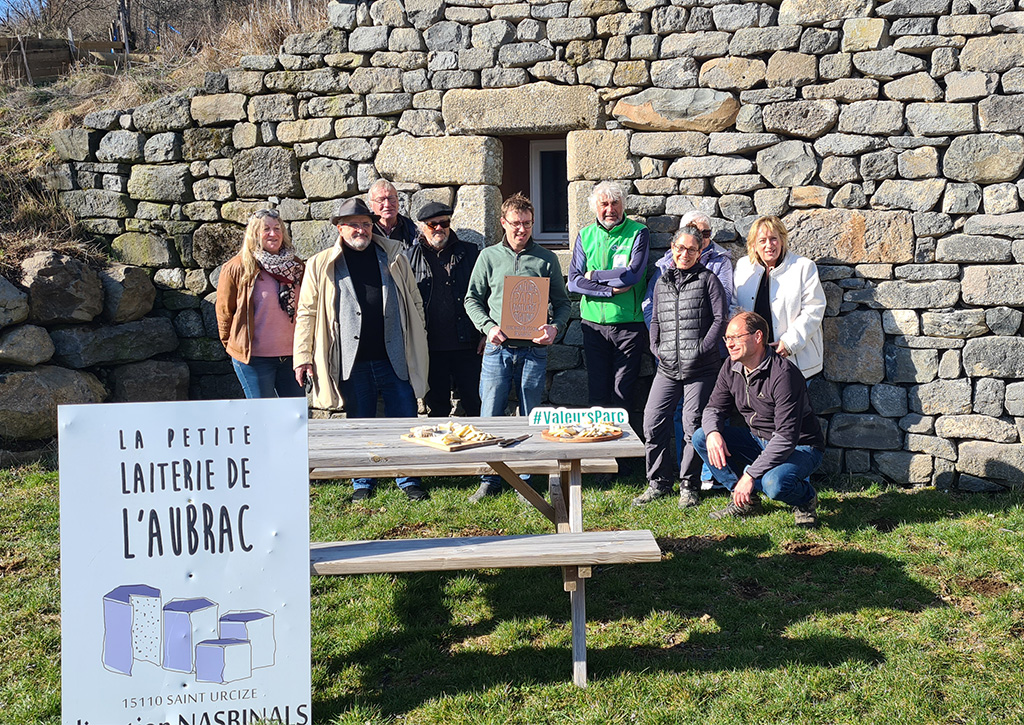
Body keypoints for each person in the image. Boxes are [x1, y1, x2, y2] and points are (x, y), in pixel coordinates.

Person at [293, 198, 430, 502]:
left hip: (393, 355)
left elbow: (414, 298)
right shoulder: (321, 264)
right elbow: (307, 313)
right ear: (340, 228)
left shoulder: (394, 256)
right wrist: (303, 356)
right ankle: (362, 481)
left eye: (366, 224)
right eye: (353, 224)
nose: (361, 230)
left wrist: (418, 329)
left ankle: (408, 478)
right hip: (350, 360)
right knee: (359, 421)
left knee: (405, 418)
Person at [464, 192, 571, 502]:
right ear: (503, 223)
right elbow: (472, 299)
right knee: (490, 416)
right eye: (515, 224)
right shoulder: (488, 257)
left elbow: (562, 304)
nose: (521, 229)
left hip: (533, 352)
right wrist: (488, 327)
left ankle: (524, 480)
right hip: (498, 350)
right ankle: (489, 479)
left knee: (530, 416)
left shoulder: (546, 259)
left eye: (527, 224)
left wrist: (555, 327)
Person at [692, 311, 824, 526]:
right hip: (758, 440)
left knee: (775, 484)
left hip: (801, 446)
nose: (729, 344)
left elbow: (786, 438)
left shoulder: (784, 375)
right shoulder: (730, 366)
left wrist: (750, 475)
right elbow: (713, 407)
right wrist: (713, 432)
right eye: (727, 339)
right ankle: (746, 501)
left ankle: (806, 499)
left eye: (736, 338)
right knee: (701, 437)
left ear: (758, 336)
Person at [634, 226, 727, 508]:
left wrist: (700, 350)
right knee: (653, 421)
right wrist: (655, 347)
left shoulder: (709, 280)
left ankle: (689, 485)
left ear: (699, 252)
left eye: (691, 249)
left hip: (700, 369)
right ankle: (658, 482)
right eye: (680, 248)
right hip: (667, 367)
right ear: (672, 248)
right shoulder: (662, 282)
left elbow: (720, 320)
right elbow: (656, 320)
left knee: (692, 426)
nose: (684, 253)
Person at [567, 181, 649, 413]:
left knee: (623, 394)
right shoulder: (585, 235)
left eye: (615, 203)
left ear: (623, 205)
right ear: (595, 207)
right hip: (593, 324)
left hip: (628, 326)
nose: (610, 209)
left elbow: (631, 276)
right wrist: (608, 290)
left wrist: (592, 275)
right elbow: (573, 281)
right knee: (598, 394)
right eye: (604, 204)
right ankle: (599, 445)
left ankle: (624, 448)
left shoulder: (638, 232)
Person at [216, 208, 306, 399]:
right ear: (254, 234)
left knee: (294, 419)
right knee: (263, 418)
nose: (273, 234)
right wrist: (235, 346)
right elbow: (225, 311)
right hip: (255, 360)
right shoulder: (237, 268)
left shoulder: (297, 267)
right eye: (266, 229)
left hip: (293, 358)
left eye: (277, 228)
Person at [404, 201, 483, 417]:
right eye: (432, 225)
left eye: (444, 223)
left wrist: (485, 333)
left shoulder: (471, 253)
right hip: (430, 347)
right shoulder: (409, 258)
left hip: (467, 343)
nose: (439, 228)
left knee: (475, 403)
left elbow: (486, 295)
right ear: (423, 227)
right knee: (436, 407)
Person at [733, 215, 825, 379]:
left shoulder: (803, 267)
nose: (769, 245)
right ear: (753, 245)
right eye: (762, 240)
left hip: (793, 358)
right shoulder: (743, 267)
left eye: (773, 239)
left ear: (782, 240)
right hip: (753, 359)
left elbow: (813, 310)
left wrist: (790, 343)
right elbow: (734, 307)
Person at [367, 179, 418, 250]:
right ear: (371, 205)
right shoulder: (365, 230)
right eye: (380, 200)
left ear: (398, 201)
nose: (387, 205)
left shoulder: (412, 229)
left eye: (391, 199)